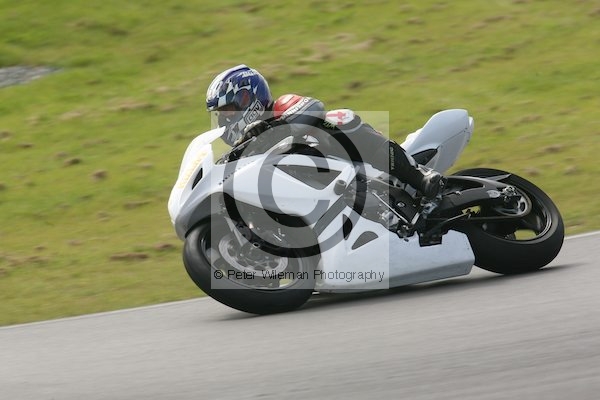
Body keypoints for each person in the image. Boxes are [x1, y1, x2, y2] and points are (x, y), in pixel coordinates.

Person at [205, 64, 444, 201]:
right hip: (319, 196)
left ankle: (417, 175)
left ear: (248, 98)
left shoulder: (281, 107)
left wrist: (270, 129)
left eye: (227, 110)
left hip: (352, 167)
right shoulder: (245, 149)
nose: (224, 119)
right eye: (220, 114)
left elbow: (313, 108)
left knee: (337, 119)